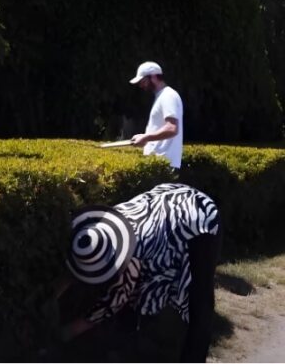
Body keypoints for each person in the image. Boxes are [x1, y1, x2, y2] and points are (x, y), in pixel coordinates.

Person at [54, 183, 221, 362]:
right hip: (169, 197)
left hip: (199, 221)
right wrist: (50, 297)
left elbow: (112, 304)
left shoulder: (130, 257)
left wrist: (63, 335)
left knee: (200, 299)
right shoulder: (104, 226)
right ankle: (128, 347)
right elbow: (71, 274)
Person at [129, 61, 184, 169]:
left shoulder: (168, 96)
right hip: (159, 164)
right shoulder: (161, 96)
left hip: (164, 165)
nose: (141, 85)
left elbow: (172, 128)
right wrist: (143, 136)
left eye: (143, 81)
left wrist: (146, 138)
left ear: (153, 77)